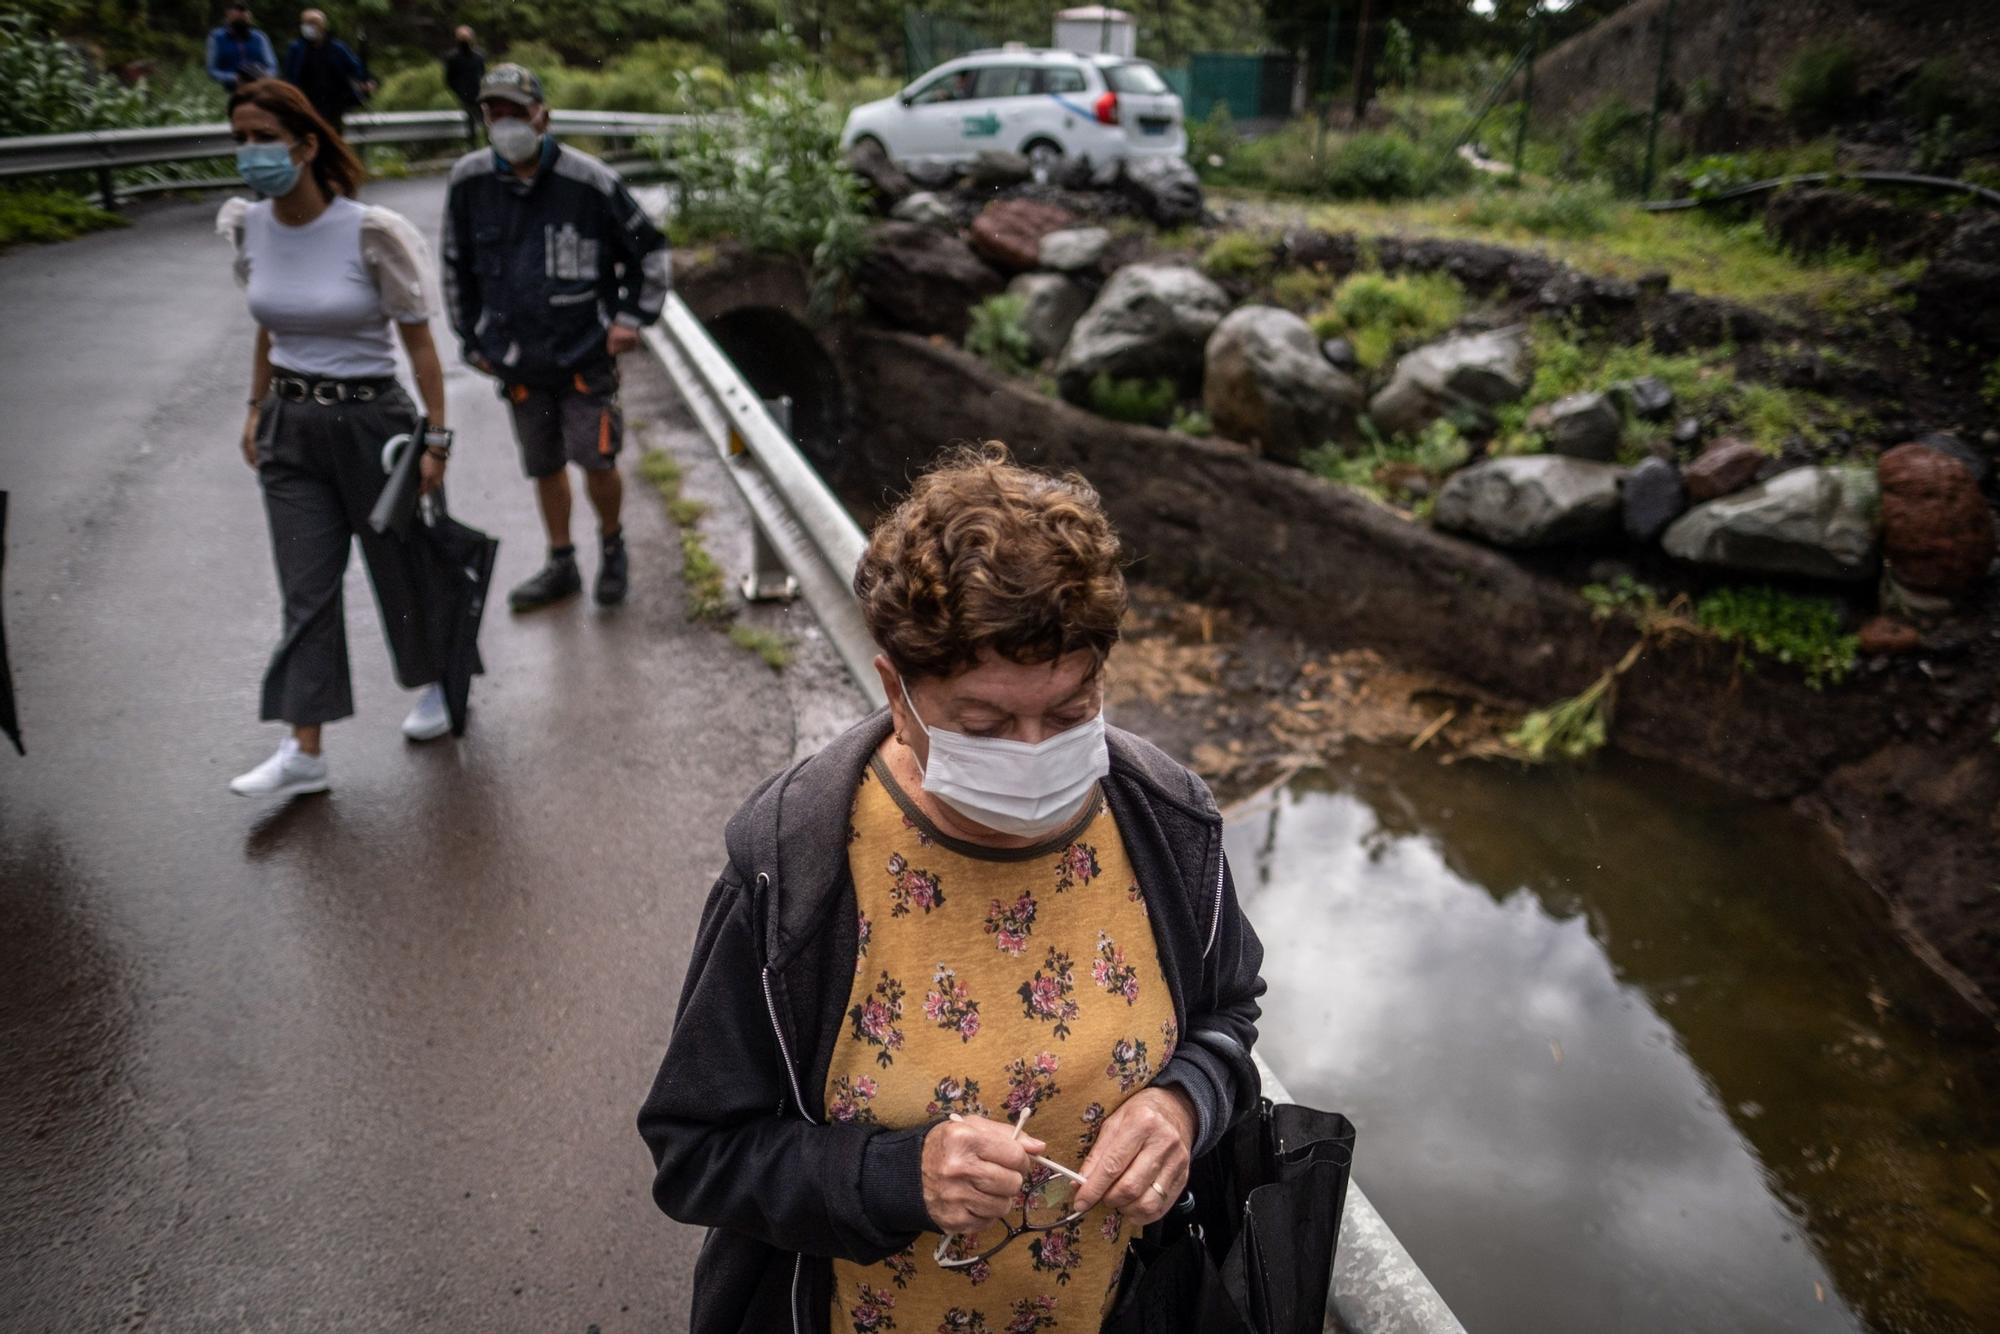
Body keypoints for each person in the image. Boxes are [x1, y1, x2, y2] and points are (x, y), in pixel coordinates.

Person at [637, 445, 1267, 1334]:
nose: (1035, 750)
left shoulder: (1166, 824)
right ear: (898, 689)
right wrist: (895, 1177)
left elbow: (1230, 1015)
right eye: (985, 723)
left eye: (1069, 712)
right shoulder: (796, 867)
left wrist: (1185, 1101)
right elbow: (695, 1154)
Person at [217, 79, 456, 799]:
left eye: (264, 137)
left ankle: (439, 684)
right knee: (307, 587)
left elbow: (419, 348)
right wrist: (256, 408)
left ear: (307, 143)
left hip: (371, 424)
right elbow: (270, 327)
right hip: (291, 426)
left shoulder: (367, 231)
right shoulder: (248, 226)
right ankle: (304, 745)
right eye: (241, 139)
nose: (251, 153)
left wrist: (436, 438)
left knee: (402, 570)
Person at [442, 62, 670, 612]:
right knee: (543, 465)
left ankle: (612, 548)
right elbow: (456, 266)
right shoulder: (470, 182)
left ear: (542, 115)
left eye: (515, 112)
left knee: (596, 459)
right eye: (493, 113)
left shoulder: (588, 182)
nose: (504, 123)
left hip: (583, 353)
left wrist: (630, 319)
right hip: (516, 360)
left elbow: (652, 252)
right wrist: (471, 339)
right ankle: (561, 561)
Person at [281, 8, 373, 135]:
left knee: (332, 137)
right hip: (305, 104)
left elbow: (355, 68)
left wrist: (365, 80)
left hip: (333, 104)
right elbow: (289, 76)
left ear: (322, 26)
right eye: (305, 23)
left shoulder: (336, 48)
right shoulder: (297, 49)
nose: (307, 27)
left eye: (312, 23)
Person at [206, 3, 277, 92]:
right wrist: (236, 78)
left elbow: (272, 66)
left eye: (244, 11)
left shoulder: (259, 38)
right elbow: (212, 70)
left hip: (258, 90)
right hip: (228, 91)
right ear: (228, 14)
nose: (242, 14)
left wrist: (263, 76)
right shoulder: (216, 37)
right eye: (238, 11)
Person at [441, 25, 486, 148]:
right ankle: (476, 148)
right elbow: (450, 79)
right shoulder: (453, 58)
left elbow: (482, 74)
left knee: (482, 124)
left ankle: (482, 148)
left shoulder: (478, 56)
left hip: (477, 94)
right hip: (467, 95)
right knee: (473, 125)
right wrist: (459, 92)